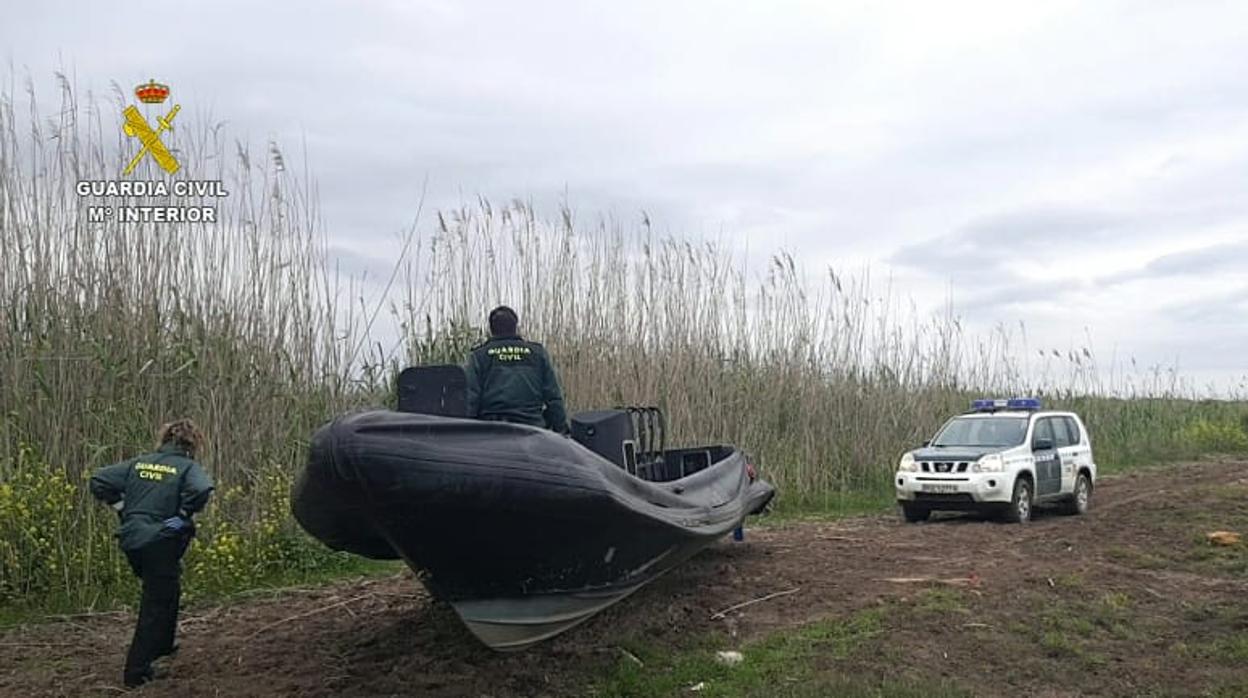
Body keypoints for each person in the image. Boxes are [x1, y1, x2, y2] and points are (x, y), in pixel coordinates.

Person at [89, 419, 214, 688]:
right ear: (192, 444)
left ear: (165, 439)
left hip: (133, 539)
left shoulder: (140, 463)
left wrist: (122, 508)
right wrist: (182, 516)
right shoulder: (187, 466)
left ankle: (163, 646)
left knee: (169, 588)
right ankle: (136, 672)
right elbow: (203, 488)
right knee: (155, 603)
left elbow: (99, 479)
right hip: (159, 538)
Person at [464, 305, 569, 433]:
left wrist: (466, 434)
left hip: (492, 432)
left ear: (491, 329)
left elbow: (470, 400)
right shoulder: (537, 353)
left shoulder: (480, 356)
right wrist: (563, 431)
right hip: (533, 430)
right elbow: (554, 398)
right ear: (516, 327)